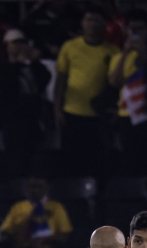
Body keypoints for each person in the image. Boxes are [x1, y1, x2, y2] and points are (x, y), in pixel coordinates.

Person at [53, 6, 118, 178]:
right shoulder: (69, 47)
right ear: (82, 23)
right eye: (89, 20)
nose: (92, 24)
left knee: (99, 162)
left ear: (104, 24)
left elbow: (117, 83)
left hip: (99, 115)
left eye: (96, 20)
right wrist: (57, 108)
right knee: (72, 161)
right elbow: (60, 80)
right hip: (72, 113)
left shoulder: (112, 50)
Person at [107, 9, 147, 176]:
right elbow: (114, 82)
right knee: (131, 161)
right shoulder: (118, 56)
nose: (136, 32)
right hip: (128, 116)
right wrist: (125, 54)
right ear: (126, 30)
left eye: (140, 28)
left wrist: (144, 53)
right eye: (132, 28)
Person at [0, 29, 51, 175]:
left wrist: (32, 61)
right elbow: (6, 91)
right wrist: (18, 64)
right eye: (15, 43)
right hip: (14, 123)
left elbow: (44, 79)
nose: (20, 46)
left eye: (22, 42)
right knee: (16, 161)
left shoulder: (32, 67)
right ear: (7, 46)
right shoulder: (2, 69)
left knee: (35, 162)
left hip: (34, 122)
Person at [0, 175, 73, 248]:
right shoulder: (18, 207)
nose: (36, 190)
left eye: (40, 187)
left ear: (47, 188)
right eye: (33, 187)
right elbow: (6, 232)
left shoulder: (56, 207)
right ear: (27, 188)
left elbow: (65, 234)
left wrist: (43, 240)